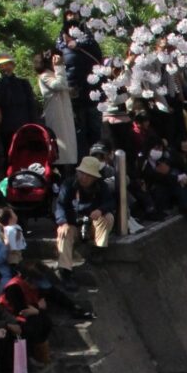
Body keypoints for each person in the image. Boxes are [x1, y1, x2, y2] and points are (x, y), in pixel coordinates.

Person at [54, 156, 117, 271]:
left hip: (92, 226)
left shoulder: (101, 186)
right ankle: (65, 270)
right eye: (82, 173)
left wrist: (100, 210)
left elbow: (110, 203)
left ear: (94, 177)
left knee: (108, 217)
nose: (84, 177)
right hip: (73, 225)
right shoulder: (68, 184)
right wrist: (63, 222)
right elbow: (60, 205)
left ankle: (98, 249)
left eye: (88, 175)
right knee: (63, 233)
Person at [56, 20, 105, 156]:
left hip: (76, 96)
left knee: (80, 132)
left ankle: (84, 159)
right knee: (93, 132)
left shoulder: (63, 50)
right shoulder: (93, 45)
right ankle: (96, 158)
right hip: (92, 93)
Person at [0, 265, 52, 364]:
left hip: (29, 314)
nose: (37, 287)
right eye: (36, 284)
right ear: (27, 280)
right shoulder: (14, 287)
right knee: (33, 324)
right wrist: (37, 307)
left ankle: (40, 352)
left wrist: (37, 310)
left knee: (45, 320)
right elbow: (21, 310)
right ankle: (31, 356)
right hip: (12, 318)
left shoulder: (34, 288)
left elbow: (37, 308)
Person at [35, 50, 78, 169]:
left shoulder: (53, 73)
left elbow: (62, 86)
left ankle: (68, 167)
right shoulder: (44, 75)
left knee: (68, 145)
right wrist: (59, 67)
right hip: (56, 114)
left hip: (64, 113)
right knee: (60, 145)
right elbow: (58, 85)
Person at [0, 55, 39, 149]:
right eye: (1, 66)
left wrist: (34, 124)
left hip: (24, 125)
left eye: (7, 64)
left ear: (13, 66)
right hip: (6, 128)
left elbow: (31, 105)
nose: (4, 68)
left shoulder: (23, 83)